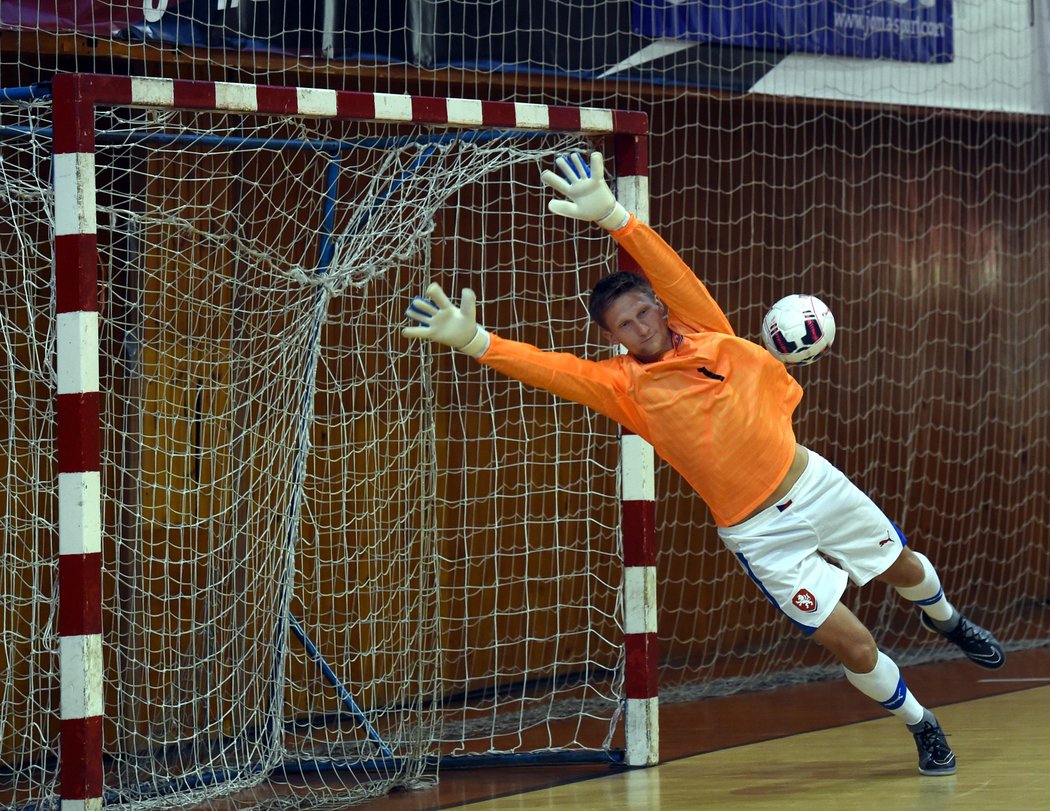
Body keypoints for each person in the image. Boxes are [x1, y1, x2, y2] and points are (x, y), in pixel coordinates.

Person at [402, 151, 1005, 776]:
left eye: (643, 312)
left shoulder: (711, 333)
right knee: (853, 643)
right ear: (612, 338)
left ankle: (947, 619)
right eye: (623, 326)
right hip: (759, 534)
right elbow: (550, 370)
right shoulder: (623, 388)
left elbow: (671, 269)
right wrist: (476, 340)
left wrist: (615, 216)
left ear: (661, 309)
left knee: (903, 566)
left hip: (818, 488)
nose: (639, 327)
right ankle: (923, 725)